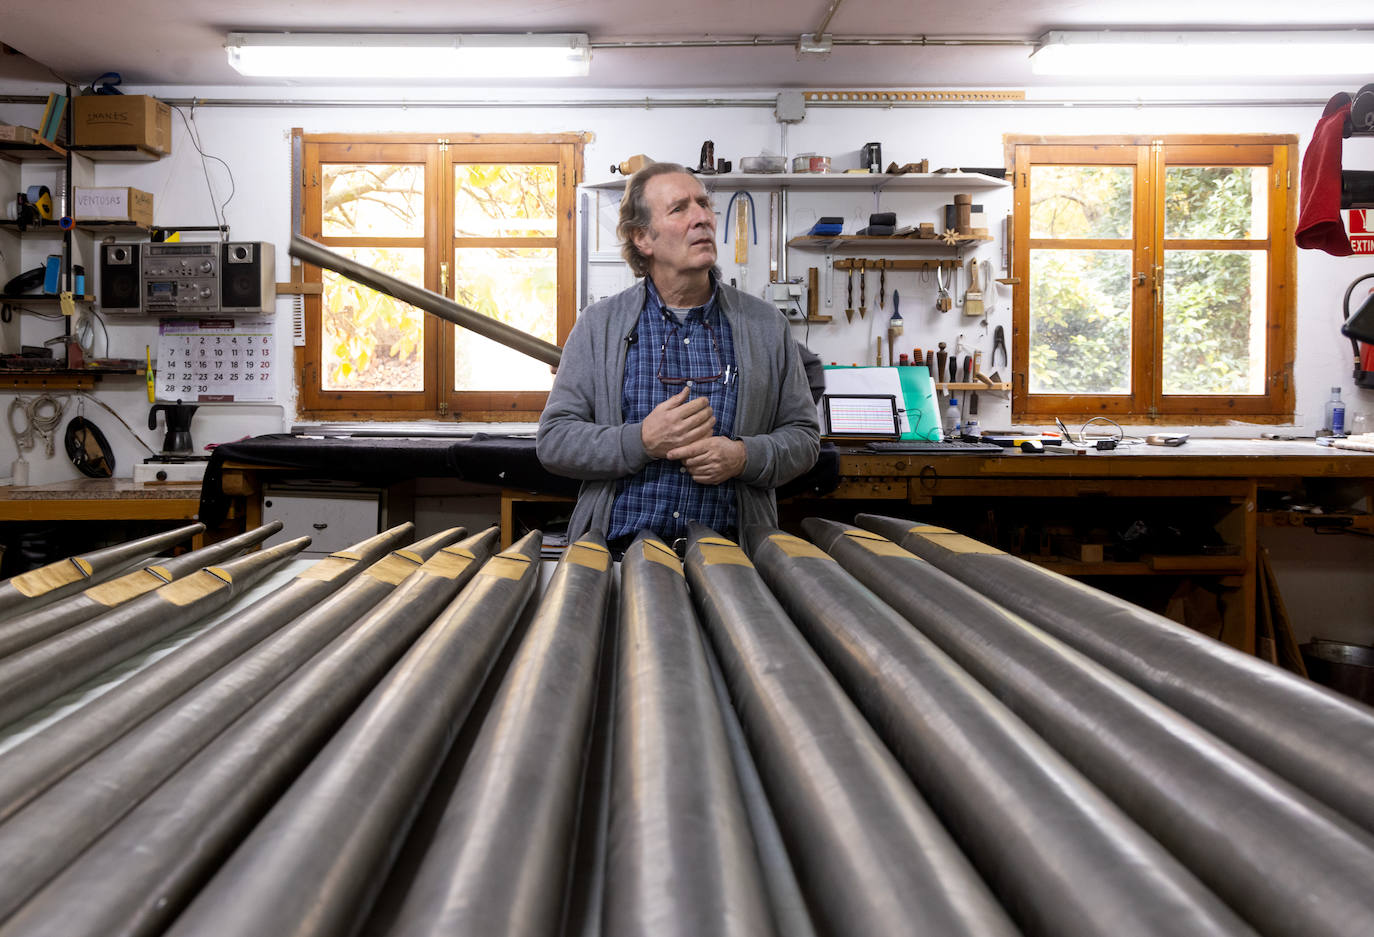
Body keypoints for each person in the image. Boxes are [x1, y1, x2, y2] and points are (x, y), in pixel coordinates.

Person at [537, 162, 820, 550]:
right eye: (679, 209)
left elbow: (803, 438)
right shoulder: (599, 325)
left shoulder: (765, 325)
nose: (702, 217)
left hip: (733, 559)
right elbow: (555, 441)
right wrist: (642, 441)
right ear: (643, 238)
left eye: (703, 204)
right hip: (615, 555)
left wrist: (742, 456)